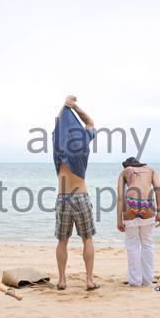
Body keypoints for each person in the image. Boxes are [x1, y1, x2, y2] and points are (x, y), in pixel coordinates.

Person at [52, 95, 99, 291]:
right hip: (81, 195)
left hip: (63, 197)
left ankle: (62, 280)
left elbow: (58, 123)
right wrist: (76, 107)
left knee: (63, 240)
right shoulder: (83, 142)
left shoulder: (58, 144)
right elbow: (89, 122)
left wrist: (65, 106)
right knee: (87, 239)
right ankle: (88, 280)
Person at [116, 157, 160, 286]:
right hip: (148, 205)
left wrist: (118, 220)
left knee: (132, 245)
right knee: (147, 243)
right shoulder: (150, 170)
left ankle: (135, 281)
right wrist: (159, 213)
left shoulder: (125, 171)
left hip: (130, 205)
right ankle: (147, 280)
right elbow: (158, 190)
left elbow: (120, 197)